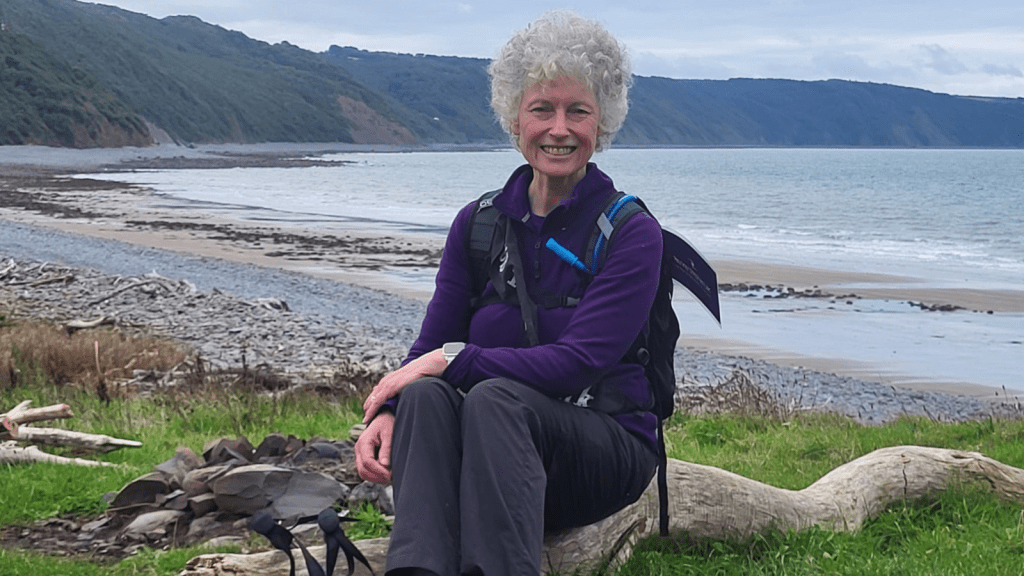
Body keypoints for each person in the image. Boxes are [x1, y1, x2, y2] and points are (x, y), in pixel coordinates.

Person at [355, 11, 662, 576]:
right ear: (514, 118)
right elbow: (433, 337)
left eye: (579, 111)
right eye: (541, 109)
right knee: (425, 397)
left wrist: (455, 359)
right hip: (493, 456)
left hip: (603, 452)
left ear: (603, 123)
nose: (559, 128)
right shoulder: (478, 222)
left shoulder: (631, 232)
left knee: (495, 395)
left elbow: (578, 364)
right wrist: (392, 406)